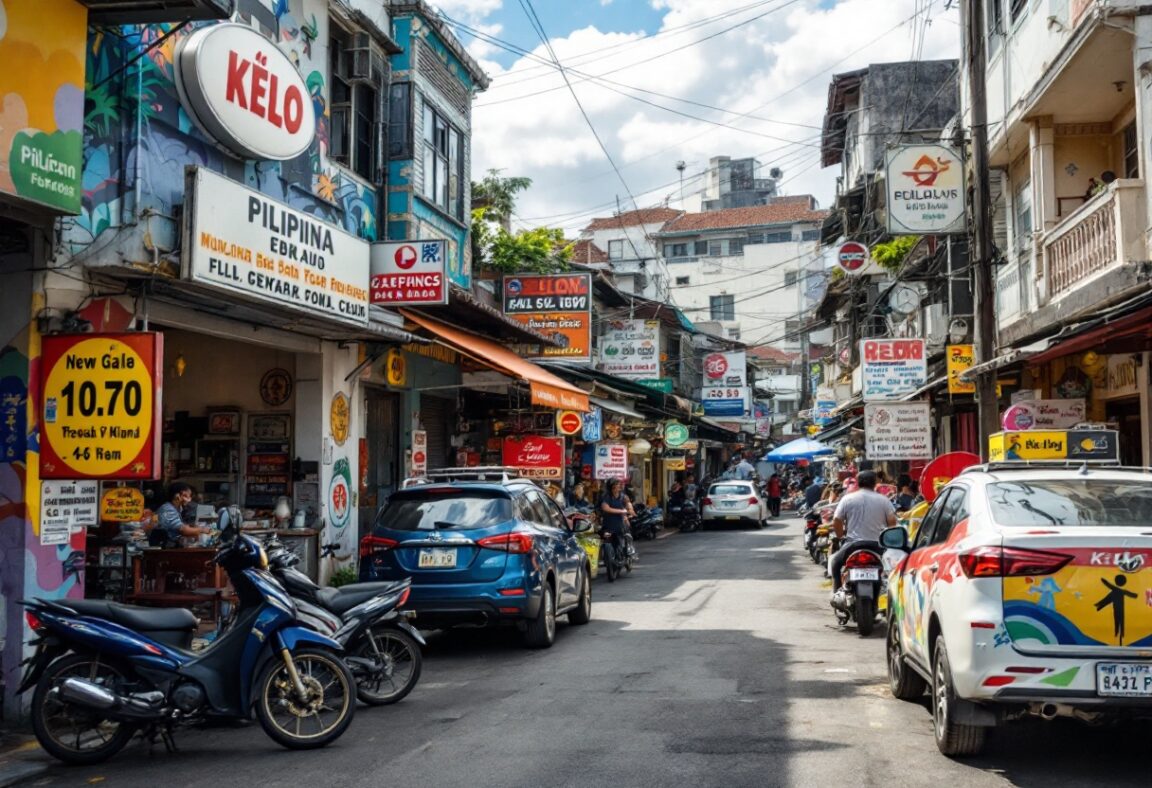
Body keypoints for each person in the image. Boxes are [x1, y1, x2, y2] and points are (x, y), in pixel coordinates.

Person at [829, 470, 897, 591]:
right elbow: (892, 522)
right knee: (892, 569)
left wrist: (840, 535)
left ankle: (837, 592)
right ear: (875, 483)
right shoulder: (884, 500)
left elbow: (836, 520)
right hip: (877, 545)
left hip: (853, 544)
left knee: (835, 563)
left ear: (858, 483)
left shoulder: (847, 499)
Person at [149, 482, 213, 547]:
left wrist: (194, 528)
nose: (189, 499)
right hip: (163, 547)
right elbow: (183, 531)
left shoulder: (177, 509)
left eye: (189, 496)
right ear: (177, 496)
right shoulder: (168, 509)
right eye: (185, 496)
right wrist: (202, 530)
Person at [599, 479, 635, 557]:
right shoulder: (606, 497)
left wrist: (630, 509)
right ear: (611, 488)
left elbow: (628, 503)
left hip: (621, 522)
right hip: (609, 523)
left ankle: (630, 548)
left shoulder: (623, 496)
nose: (617, 488)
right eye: (614, 486)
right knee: (606, 538)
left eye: (618, 485)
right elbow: (605, 508)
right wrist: (621, 511)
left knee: (627, 533)